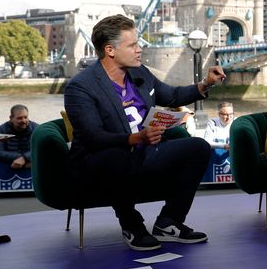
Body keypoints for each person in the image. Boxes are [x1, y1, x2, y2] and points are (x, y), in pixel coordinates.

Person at [64, 14, 226, 251]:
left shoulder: (141, 74)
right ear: (110, 50)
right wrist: (134, 138)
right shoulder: (80, 86)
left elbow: (172, 96)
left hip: (144, 152)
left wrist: (206, 84)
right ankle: (132, 225)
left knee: (198, 148)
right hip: (101, 161)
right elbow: (92, 137)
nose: (139, 49)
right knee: (117, 156)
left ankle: (168, 222)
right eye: (132, 45)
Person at [0, 104, 38, 169]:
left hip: (32, 167)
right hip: (8, 168)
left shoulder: (36, 129)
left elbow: (43, 149)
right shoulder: (1, 130)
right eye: (19, 118)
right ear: (11, 118)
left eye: (25, 117)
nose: (24, 121)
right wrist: (21, 158)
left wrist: (25, 158)